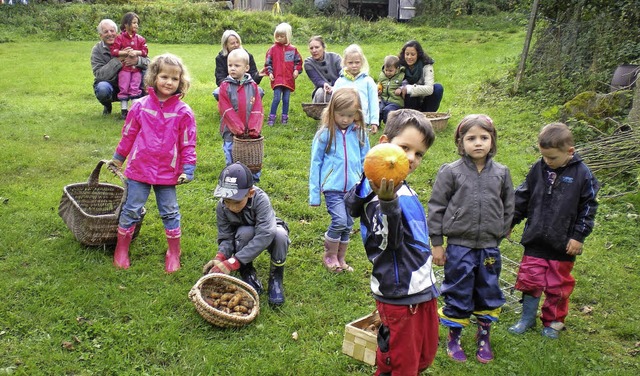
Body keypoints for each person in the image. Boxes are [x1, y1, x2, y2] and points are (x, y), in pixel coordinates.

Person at [345, 109, 438, 375]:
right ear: (384, 144)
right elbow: (389, 243)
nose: (411, 158)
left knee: (422, 353)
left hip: (421, 285)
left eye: (419, 153)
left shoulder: (402, 184)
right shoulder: (378, 198)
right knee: (402, 360)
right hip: (400, 292)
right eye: (405, 147)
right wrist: (387, 204)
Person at [427, 114, 515, 363]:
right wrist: (437, 243)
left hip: (489, 247)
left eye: (484, 138)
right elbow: (436, 207)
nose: (478, 143)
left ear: (492, 141)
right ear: (460, 142)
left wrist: (501, 229)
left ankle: (484, 335)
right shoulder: (451, 172)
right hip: (459, 247)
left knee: (489, 289)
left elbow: (509, 205)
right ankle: (454, 337)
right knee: (458, 290)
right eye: (471, 138)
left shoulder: (501, 172)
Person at [508, 122, 599, 339]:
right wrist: (510, 222)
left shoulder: (583, 175)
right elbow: (522, 197)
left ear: (570, 152)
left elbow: (588, 207)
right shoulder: (539, 168)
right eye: (544, 157)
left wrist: (578, 236)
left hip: (562, 243)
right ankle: (527, 318)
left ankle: (553, 322)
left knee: (557, 286)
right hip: (535, 239)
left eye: (552, 158)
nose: (548, 162)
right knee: (530, 280)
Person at [107, 54, 196, 274]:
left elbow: (188, 143)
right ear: (154, 77)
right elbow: (128, 135)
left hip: (168, 172)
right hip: (139, 169)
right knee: (131, 209)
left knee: (170, 211)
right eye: (164, 76)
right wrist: (118, 158)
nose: (169, 82)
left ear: (180, 82)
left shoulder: (183, 112)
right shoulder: (139, 107)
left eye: (174, 79)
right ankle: (121, 249)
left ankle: (174, 252)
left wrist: (188, 168)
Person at [203, 162, 290, 307]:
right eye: (226, 201)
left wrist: (232, 262)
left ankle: (276, 278)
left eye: (236, 202)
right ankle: (247, 271)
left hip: (269, 231)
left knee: (280, 235)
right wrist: (221, 257)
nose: (230, 207)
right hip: (244, 235)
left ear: (250, 193)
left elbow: (266, 233)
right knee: (244, 233)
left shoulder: (261, 199)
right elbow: (226, 237)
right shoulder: (222, 207)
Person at [309, 88, 370, 272]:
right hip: (333, 188)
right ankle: (329, 256)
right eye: (341, 115)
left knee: (349, 224)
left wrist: (365, 189)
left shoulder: (359, 134)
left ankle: (340, 259)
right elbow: (315, 163)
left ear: (357, 114)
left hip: (353, 189)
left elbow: (367, 161)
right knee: (340, 221)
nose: (345, 119)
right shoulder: (325, 134)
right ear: (332, 111)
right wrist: (314, 194)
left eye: (350, 115)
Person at [218, 48, 263, 182]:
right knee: (231, 154)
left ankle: (252, 182)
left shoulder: (253, 86)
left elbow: (257, 108)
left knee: (251, 157)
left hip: (250, 133)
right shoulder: (225, 86)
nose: (232, 68)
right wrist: (237, 128)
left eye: (237, 66)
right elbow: (225, 108)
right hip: (230, 132)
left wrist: (254, 128)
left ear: (246, 68)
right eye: (230, 65)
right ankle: (232, 180)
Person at [91, 19, 149, 116]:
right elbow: (99, 74)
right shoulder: (97, 50)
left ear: (117, 32)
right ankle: (107, 105)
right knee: (102, 88)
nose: (110, 34)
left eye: (112, 31)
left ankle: (142, 108)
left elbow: (149, 63)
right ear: (100, 36)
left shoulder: (132, 42)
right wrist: (118, 59)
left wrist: (137, 61)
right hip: (112, 84)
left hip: (133, 82)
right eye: (105, 32)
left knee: (147, 75)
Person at [333, 44, 380, 134]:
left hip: (361, 121)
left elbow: (373, 101)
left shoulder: (368, 81)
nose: (354, 65)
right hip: (343, 119)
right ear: (345, 63)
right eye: (350, 63)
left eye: (357, 62)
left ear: (362, 62)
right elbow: (333, 101)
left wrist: (374, 121)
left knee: (360, 142)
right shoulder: (340, 81)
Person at [110, 12, 148, 119]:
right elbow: (114, 51)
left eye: (137, 23)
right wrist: (124, 52)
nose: (136, 25)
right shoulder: (120, 38)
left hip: (136, 70)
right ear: (126, 24)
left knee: (135, 87)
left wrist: (136, 52)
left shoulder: (140, 39)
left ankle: (135, 110)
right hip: (124, 69)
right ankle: (124, 110)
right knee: (124, 87)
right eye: (134, 23)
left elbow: (145, 51)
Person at [264, 22, 303, 126]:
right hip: (277, 78)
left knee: (286, 99)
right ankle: (272, 116)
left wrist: (296, 70)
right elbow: (268, 63)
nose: (279, 38)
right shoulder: (272, 49)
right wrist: (270, 72)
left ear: (288, 37)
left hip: (288, 79)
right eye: (278, 36)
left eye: (282, 36)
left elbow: (298, 62)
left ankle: (284, 117)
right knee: (276, 98)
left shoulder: (293, 49)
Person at [213, 29, 264, 100]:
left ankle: (248, 105)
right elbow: (220, 79)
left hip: (246, 86)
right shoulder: (220, 58)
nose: (236, 45)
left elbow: (253, 79)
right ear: (226, 45)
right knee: (217, 92)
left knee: (260, 91)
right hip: (229, 87)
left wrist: (258, 75)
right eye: (232, 43)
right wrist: (233, 85)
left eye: (237, 42)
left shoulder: (248, 56)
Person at [399, 40, 444, 113]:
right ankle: (410, 116)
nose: (409, 57)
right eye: (407, 54)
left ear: (418, 54)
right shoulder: (399, 65)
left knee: (438, 88)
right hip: (406, 101)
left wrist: (408, 88)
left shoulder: (426, 65)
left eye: (412, 54)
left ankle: (428, 115)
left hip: (423, 98)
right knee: (409, 95)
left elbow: (429, 89)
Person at [304, 36, 342, 103]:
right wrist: (324, 84)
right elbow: (317, 80)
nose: (314, 50)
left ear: (323, 48)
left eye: (317, 47)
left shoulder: (336, 58)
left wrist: (335, 87)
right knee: (321, 93)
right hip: (323, 89)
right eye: (311, 48)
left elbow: (343, 74)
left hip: (340, 88)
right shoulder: (308, 63)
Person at [377, 55, 405, 125]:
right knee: (378, 108)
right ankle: (376, 124)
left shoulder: (401, 76)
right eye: (386, 70)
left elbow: (405, 85)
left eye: (390, 71)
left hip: (395, 101)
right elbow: (379, 84)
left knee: (388, 110)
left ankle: (388, 125)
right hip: (383, 99)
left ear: (397, 69)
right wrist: (378, 90)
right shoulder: (382, 76)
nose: (387, 72)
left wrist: (400, 89)